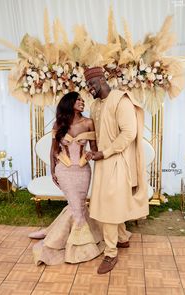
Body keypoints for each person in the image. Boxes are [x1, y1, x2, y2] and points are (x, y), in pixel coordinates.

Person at [84, 67, 149, 274]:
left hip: (117, 161)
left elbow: (129, 133)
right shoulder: (95, 105)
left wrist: (105, 152)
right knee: (110, 203)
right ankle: (121, 238)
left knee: (109, 207)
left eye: (91, 84)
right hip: (102, 162)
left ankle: (110, 253)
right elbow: (95, 131)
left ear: (102, 80)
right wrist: (93, 151)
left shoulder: (121, 101)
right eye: (87, 85)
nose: (89, 89)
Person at [29, 91, 104, 265]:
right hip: (64, 170)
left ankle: (53, 233)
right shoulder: (59, 124)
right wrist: (53, 171)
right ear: (69, 103)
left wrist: (91, 155)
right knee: (76, 208)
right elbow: (53, 150)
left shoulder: (88, 122)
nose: (82, 102)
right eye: (78, 99)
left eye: (82, 100)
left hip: (83, 171)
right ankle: (77, 249)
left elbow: (94, 147)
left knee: (77, 206)